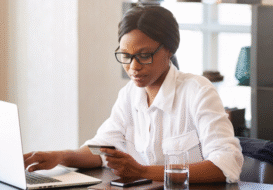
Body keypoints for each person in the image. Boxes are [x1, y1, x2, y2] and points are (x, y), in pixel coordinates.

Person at [24, 5, 243, 183]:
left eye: (144, 55)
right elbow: (103, 148)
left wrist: (142, 171)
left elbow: (226, 164)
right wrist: (60, 156)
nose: (133, 67)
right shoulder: (130, 94)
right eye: (126, 56)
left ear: (169, 50)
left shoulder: (198, 91)